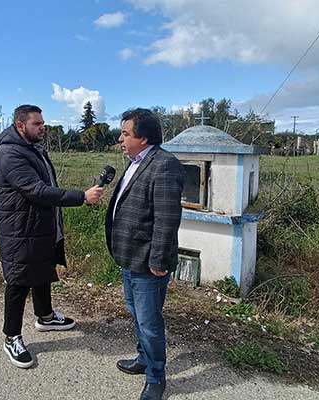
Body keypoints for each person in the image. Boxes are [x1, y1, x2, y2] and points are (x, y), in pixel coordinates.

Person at [0, 104, 103, 368]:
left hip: (39, 224)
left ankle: (45, 316)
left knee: (42, 268)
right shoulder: (10, 153)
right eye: (37, 124)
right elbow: (37, 191)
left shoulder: (33, 147)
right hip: (20, 229)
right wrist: (82, 197)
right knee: (19, 280)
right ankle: (11, 337)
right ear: (20, 125)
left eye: (42, 123)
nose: (43, 127)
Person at [105, 108, 184, 400]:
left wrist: (159, 261)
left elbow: (167, 218)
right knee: (137, 315)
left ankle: (156, 378)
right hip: (130, 257)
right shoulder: (135, 163)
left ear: (144, 138)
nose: (120, 139)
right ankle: (143, 358)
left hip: (149, 264)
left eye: (126, 133)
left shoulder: (164, 165)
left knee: (150, 323)